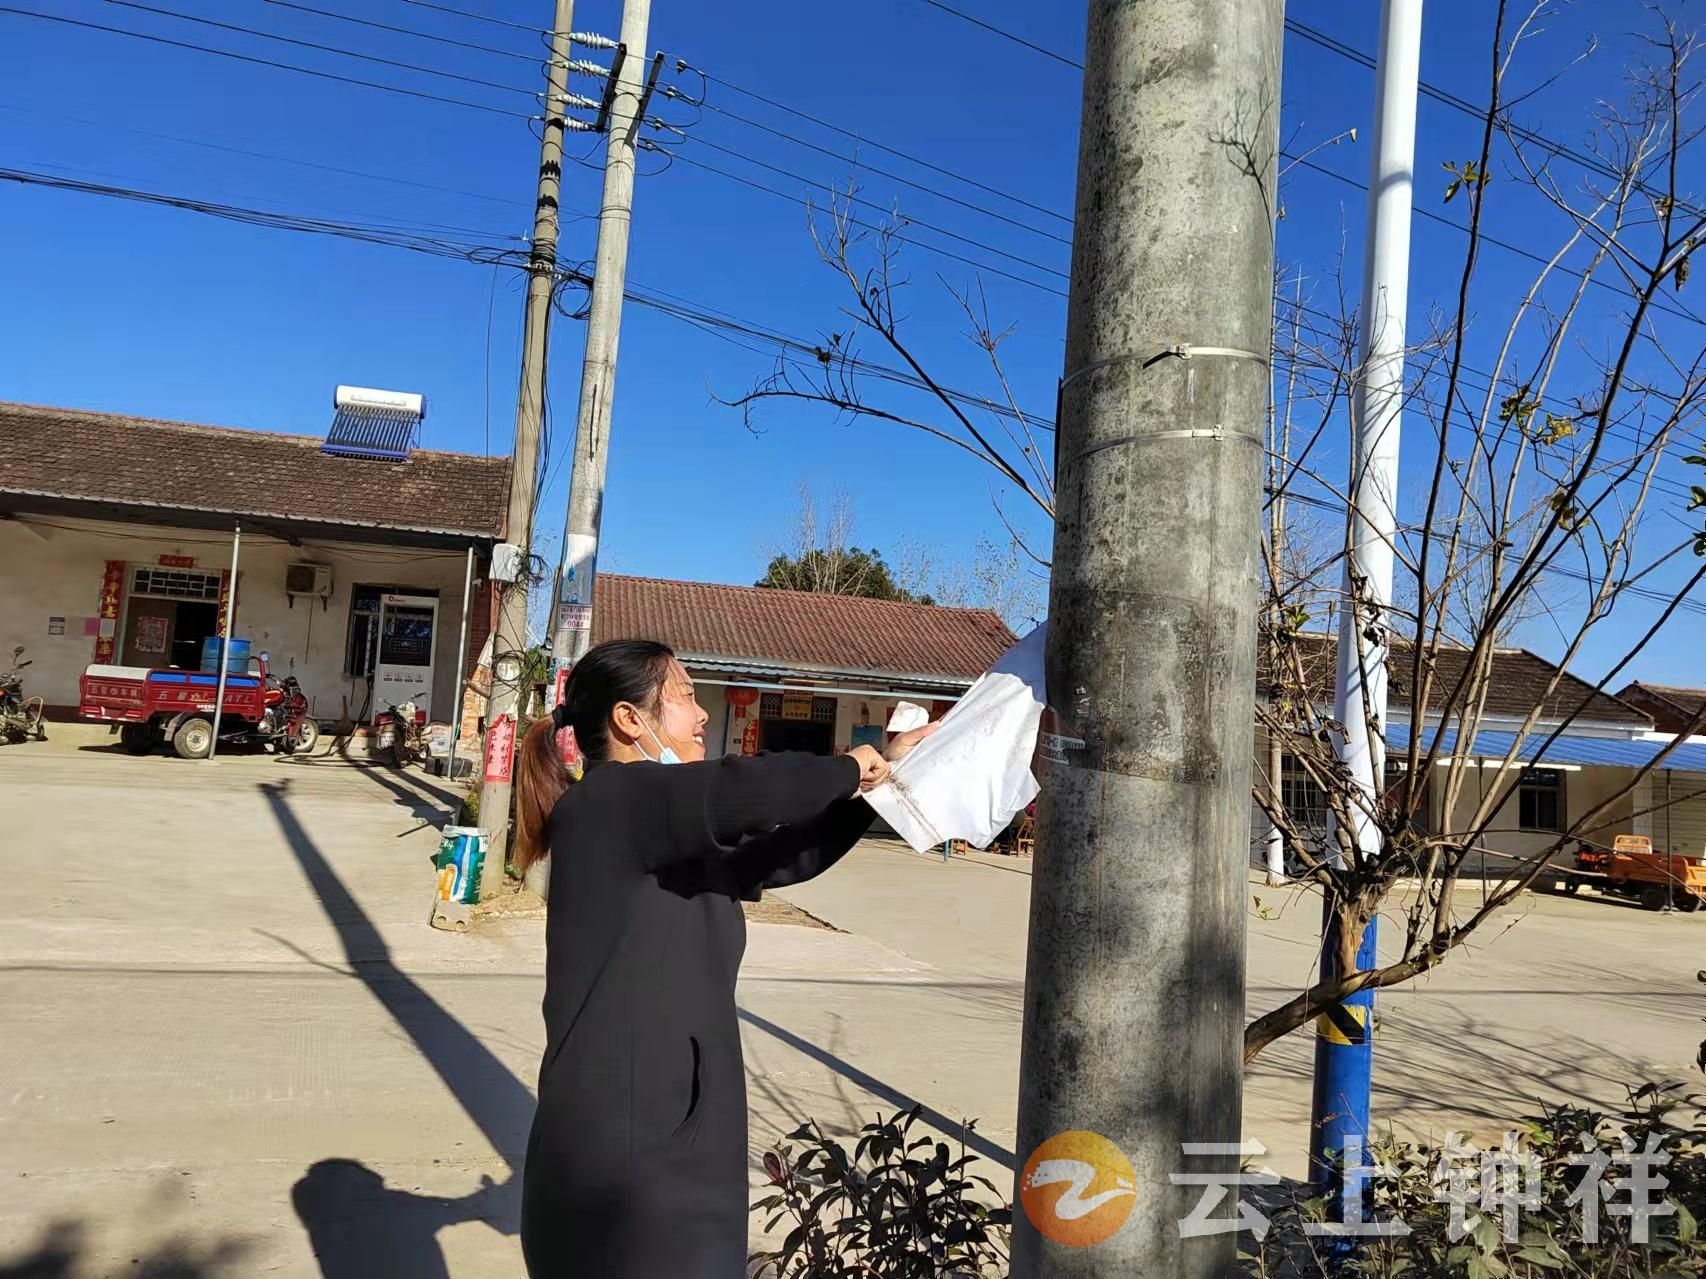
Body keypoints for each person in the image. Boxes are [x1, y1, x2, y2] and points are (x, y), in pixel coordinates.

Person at [511, 638, 934, 1277]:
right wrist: (854, 765)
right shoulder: (615, 800)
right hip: (629, 1153)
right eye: (684, 697)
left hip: (658, 1130)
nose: (704, 713)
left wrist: (880, 785)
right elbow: (746, 791)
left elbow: (781, 854)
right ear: (631, 720)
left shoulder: (648, 825)